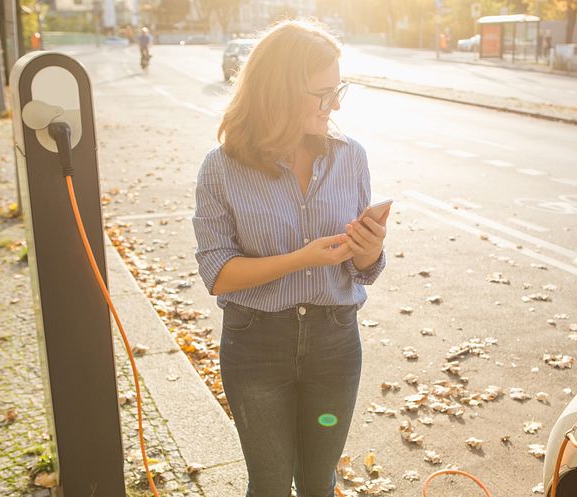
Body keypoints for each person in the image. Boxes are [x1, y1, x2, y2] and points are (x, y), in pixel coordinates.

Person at [192, 19, 388, 497]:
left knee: (320, 483)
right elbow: (218, 275)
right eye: (323, 93)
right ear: (277, 92)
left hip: (334, 343)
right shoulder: (221, 168)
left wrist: (370, 252)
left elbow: (364, 271)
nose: (335, 104)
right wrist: (301, 258)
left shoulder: (351, 157)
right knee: (271, 484)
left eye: (338, 89)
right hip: (257, 345)